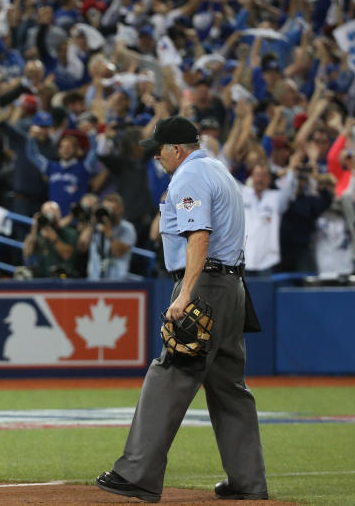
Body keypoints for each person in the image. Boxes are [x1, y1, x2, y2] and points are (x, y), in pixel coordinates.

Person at [95, 117, 267, 502]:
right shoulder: (218, 169)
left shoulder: (189, 176)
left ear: (177, 149)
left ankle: (137, 473)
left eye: (159, 148)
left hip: (205, 283)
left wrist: (185, 293)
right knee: (229, 388)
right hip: (233, 284)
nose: (155, 155)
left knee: (169, 374)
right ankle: (248, 482)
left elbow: (199, 237)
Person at [82, 194, 137, 280]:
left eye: (112, 209)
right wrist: (92, 221)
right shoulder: (96, 226)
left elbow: (118, 253)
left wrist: (109, 232)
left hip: (117, 281)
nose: (108, 213)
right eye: (105, 209)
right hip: (94, 279)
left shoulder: (127, 228)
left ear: (121, 209)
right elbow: (82, 246)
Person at [23, 201, 78, 278]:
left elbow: (67, 255)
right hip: (43, 279)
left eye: (52, 212)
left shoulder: (69, 233)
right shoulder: (39, 234)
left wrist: (54, 239)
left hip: (64, 278)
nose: (49, 216)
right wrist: (34, 228)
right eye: (45, 213)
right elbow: (27, 252)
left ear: (59, 214)